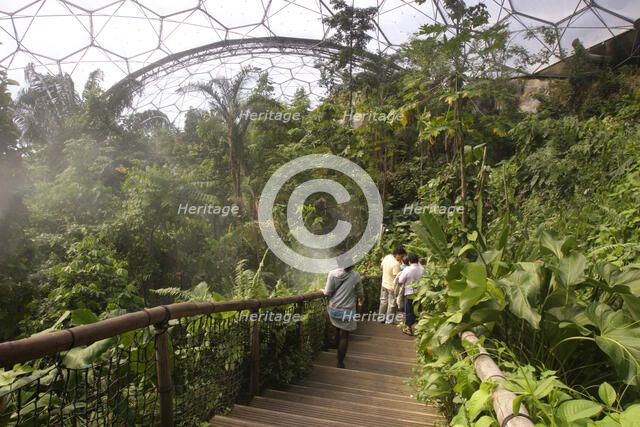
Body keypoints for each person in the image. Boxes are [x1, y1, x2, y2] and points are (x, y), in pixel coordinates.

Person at [324, 262, 364, 369]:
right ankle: (340, 362)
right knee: (344, 336)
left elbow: (328, 292)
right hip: (348, 310)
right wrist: (361, 301)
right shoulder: (355, 275)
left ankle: (336, 349)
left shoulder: (332, 274)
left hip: (334, 309)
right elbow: (360, 293)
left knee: (337, 328)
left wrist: (323, 291)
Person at [396, 253, 424, 336]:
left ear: (409, 260)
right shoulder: (422, 269)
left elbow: (400, 281)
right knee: (418, 311)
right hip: (420, 293)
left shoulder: (407, 269)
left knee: (409, 311)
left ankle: (409, 328)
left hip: (409, 293)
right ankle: (418, 329)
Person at [379, 247, 406, 324]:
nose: (402, 258)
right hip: (392, 287)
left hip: (384, 283)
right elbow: (396, 278)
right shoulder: (396, 264)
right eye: (402, 256)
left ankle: (381, 318)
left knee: (383, 301)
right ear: (397, 255)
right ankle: (389, 321)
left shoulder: (387, 257)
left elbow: (381, 267)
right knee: (392, 304)